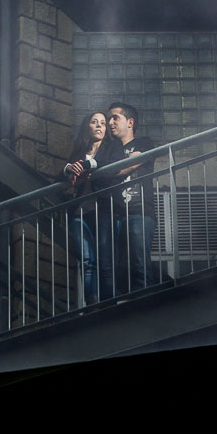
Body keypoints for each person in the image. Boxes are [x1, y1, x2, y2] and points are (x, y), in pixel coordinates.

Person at [94, 102, 158, 293]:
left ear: (130, 122)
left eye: (115, 117)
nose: (110, 123)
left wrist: (112, 172)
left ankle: (145, 303)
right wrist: (114, 171)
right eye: (109, 119)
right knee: (118, 265)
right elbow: (99, 175)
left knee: (139, 262)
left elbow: (136, 160)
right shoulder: (109, 149)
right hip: (116, 215)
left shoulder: (144, 142)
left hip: (140, 211)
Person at [63, 112, 108, 304]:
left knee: (105, 261)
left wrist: (88, 164)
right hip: (79, 211)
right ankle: (91, 303)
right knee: (87, 261)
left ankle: (107, 302)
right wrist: (68, 169)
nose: (99, 126)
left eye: (103, 123)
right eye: (94, 122)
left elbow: (111, 165)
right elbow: (60, 178)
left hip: (102, 210)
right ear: (87, 127)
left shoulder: (110, 149)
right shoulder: (78, 153)